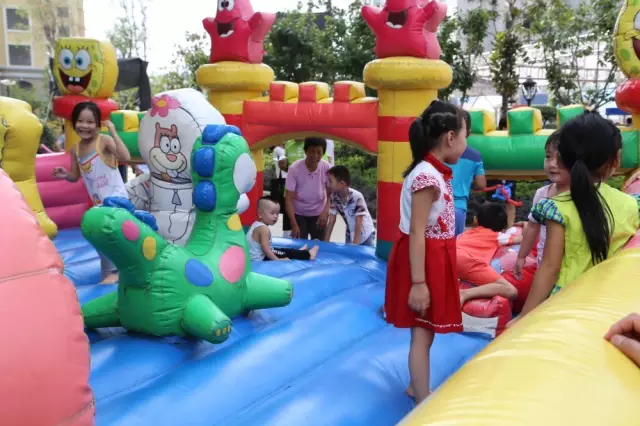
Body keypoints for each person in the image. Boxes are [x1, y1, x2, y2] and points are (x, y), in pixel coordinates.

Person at [511, 112, 640, 325]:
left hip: (567, 302)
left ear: (564, 159)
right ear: (616, 159)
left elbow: (550, 268)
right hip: (611, 302)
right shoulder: (631, 205)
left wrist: (524, 317)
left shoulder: (557, 208)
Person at [384, 100, 467, 403]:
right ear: (450, 137)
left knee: (425, 330)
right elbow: (417, 231)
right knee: (422, 332)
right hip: (423, 260)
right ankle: (421, 398)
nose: (466, 142)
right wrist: (419, 283)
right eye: (465, 135)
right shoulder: (427, 177)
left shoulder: (431, 172)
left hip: (431, 256)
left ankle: (416, 385)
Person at [51, 101, 131, 284]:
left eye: (90, 122)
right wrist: (65, 175)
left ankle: (115, 272)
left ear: (97, 124)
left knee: (106, 233)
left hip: (116, 199)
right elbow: (75, 176)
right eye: (80, 121)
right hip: (99, 203)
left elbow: (125, 157)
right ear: (73, 123)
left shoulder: (103, 141)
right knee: (94, 233)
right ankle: (109, 272)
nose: (84, 126)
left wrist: (113, 132)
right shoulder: (75, 149)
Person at [514, 130, 570, 280]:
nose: (552, 164)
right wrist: (521, 256)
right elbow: (532, 227)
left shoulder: (581, 196)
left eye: (561, 158)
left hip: (571, 268)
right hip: (544, 264)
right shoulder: (542, 194)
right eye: (548, 156)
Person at [457, 202, 522, 305]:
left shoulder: (466, 232)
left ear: (475, 220)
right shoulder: (497, 236)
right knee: (511, 291)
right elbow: (521, 239)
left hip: (449, 255)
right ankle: (465, 293)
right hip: (468, 262)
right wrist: (526, 225)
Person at [285, 137, 332, 240]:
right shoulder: (294, 168)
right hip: (299, 213)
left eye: (319, 152)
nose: (315, 155)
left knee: (319, 245)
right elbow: (288, 199)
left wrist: (325, 212)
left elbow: (330, 194)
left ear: (323, 153)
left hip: (319, 213)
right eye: (312, 151)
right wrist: (294, 224)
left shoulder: (327, 168)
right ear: (305, 151)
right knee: (300, 245)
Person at [449, 110, 486, 235]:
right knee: (454, 243)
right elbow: (481, 185)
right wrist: (468, 182)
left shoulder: (441, 152)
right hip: (459, 207)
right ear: (468, 132)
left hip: (437, 205)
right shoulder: (475, 156)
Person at [247, 196, 319, 261]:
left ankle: (299, 252)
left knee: (282, 251)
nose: (275, 216)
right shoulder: (263, 229)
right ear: (260, 214)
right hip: (260, 259)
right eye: (272, 213)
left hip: (257, 256)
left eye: (277, 213)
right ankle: (308, 255)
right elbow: (266, 249)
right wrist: (277, 260)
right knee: (286, 252)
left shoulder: (256, 224)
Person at [324, 165, 376, 246]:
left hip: (365, 234)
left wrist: (355, 244)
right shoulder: (334, 197)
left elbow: (359, 221)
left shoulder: (357, 197)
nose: (329, 184)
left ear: (342, 184)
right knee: (348, 253)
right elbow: (331, 220)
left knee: (361, 253)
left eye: (331, 181)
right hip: (350, 232)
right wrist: (325, 242)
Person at [271, 143, 288, 220]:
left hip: (284, 177)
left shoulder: (285, 147)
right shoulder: (278, 149)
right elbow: (282, 163)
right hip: (283, 177)